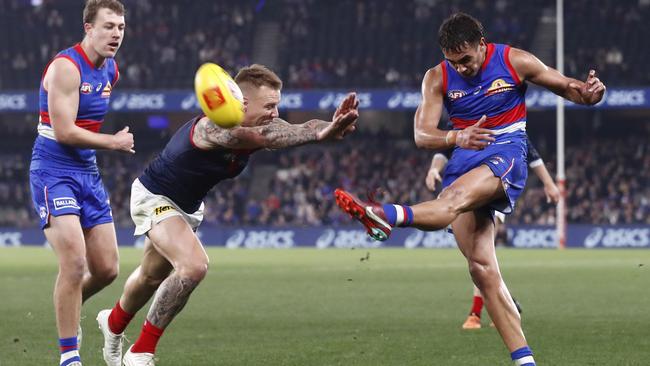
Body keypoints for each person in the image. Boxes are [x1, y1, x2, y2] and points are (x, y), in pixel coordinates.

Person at [334, 12, 604, 366]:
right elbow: (421, 134)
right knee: (482, 270)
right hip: (464, 157)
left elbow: (571, 89)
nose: (460, 67)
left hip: (506, 152)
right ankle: (526, 362)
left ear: (482, 44)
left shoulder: (513, 60)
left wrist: (591, 94)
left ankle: (385, 213)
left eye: (465, 59)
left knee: (452, 201)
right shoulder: (436, 77)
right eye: (452, 61)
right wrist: (455, 136)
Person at [95, 64, 359, 366]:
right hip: (153, 196)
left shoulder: (257, 127)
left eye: (277, 105)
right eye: (270, 105)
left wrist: (326, 128)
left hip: (187, 208)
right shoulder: (214, 128)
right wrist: (320, 133)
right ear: (242, 103)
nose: (275, 112)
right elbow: (269, 137)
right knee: (193, 267)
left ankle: (112, 324)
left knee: (151, 276)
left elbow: (289, 130)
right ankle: (140, 352)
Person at [28, 1, 132, 365]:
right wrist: (114, 142)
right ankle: (69, 356)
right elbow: (64, 131)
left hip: (86, 171)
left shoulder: (111, 71)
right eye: (108, 26)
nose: (116, 34)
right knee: (73, 263)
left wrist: (103, 146)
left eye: (120, 27)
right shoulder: (65, 68)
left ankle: (68, 309)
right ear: (88, 28)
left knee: (106, 269)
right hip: (53, 168)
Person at [425, 134, 560, 329]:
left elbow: (529, 151)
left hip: (494, 186)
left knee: (480, 255)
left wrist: (548, 183)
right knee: (477, 256)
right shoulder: (464, 115)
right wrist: (433, 169)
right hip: (463, 189)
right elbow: (444, 146)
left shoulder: (505, 116)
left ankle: (476, 313)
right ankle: (507, 303)